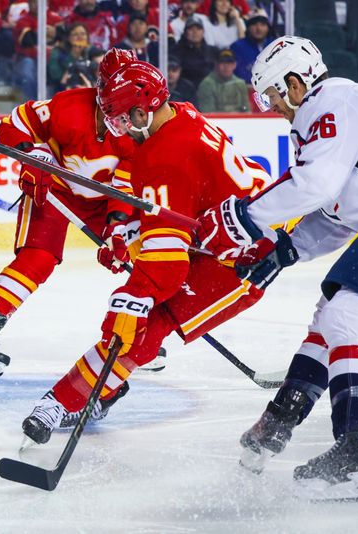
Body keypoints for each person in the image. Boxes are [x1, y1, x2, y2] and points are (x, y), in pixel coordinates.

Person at [21, 58, 272, 446]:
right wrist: (123, 230)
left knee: (142, 328)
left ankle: (66, 400)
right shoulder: (180, 116)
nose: (116, 130)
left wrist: (132, 298)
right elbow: (173, 207)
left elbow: (166, 265)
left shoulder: (165, 155)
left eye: (120, 120)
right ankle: (81, 394)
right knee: (137, 324)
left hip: (242, 261)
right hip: (228, 235)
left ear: (142, 110)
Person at [195, 36, 358, 502]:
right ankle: (283, 417)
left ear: (295, 81)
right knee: (330, 316)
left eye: (272, 96)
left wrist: (241, 218)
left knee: (350, 314)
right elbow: (334, 215)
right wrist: (283, 251)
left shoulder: (334, 101)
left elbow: (315, 185)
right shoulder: (321, 119)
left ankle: (357, 456)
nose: (272, 107)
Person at [0, 48, 139, 377]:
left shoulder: (138, 128)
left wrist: (117, 228)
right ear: (103, 89)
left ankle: (137, 331)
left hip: (104, 198)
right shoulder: (68, 107)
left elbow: (125, 186)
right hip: (55, 188)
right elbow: (14, 123)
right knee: (37, 259)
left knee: (138, 250)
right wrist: (29, 157)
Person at [13, 0, 63, 100]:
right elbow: (27, 40)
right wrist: (46, 33)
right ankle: (33, 103)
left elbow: (64, 39)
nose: (36, 5)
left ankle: (57, 105)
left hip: (52, 58)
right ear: (29, 4)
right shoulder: (23, 20)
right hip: (30, 58)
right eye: (33, 2)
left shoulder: (56, 18)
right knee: (27, 69)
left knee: (61, 65)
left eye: (38, 2)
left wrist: (55, 33)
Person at [174, 17, 219, 88]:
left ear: (203, 31)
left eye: (198, 29)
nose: (195, 32)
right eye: (191, 29)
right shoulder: (177, 51)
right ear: (185, 32)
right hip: (187, 90)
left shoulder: (213, 50)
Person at [48, 23, 92, 94]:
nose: (80, 37)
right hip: (61, 90)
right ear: (68, 38)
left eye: (83, 34)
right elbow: (55, 75)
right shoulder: (58, 52)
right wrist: (73, 56)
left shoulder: (92, 52)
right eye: (75, 34)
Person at [230, 10, 271, 84]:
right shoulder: (237, 47)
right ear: (248, 27)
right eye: (254, 24)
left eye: (262, 24)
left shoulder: (274, 44)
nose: (259, 28)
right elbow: (238, 73)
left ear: (268, 28)